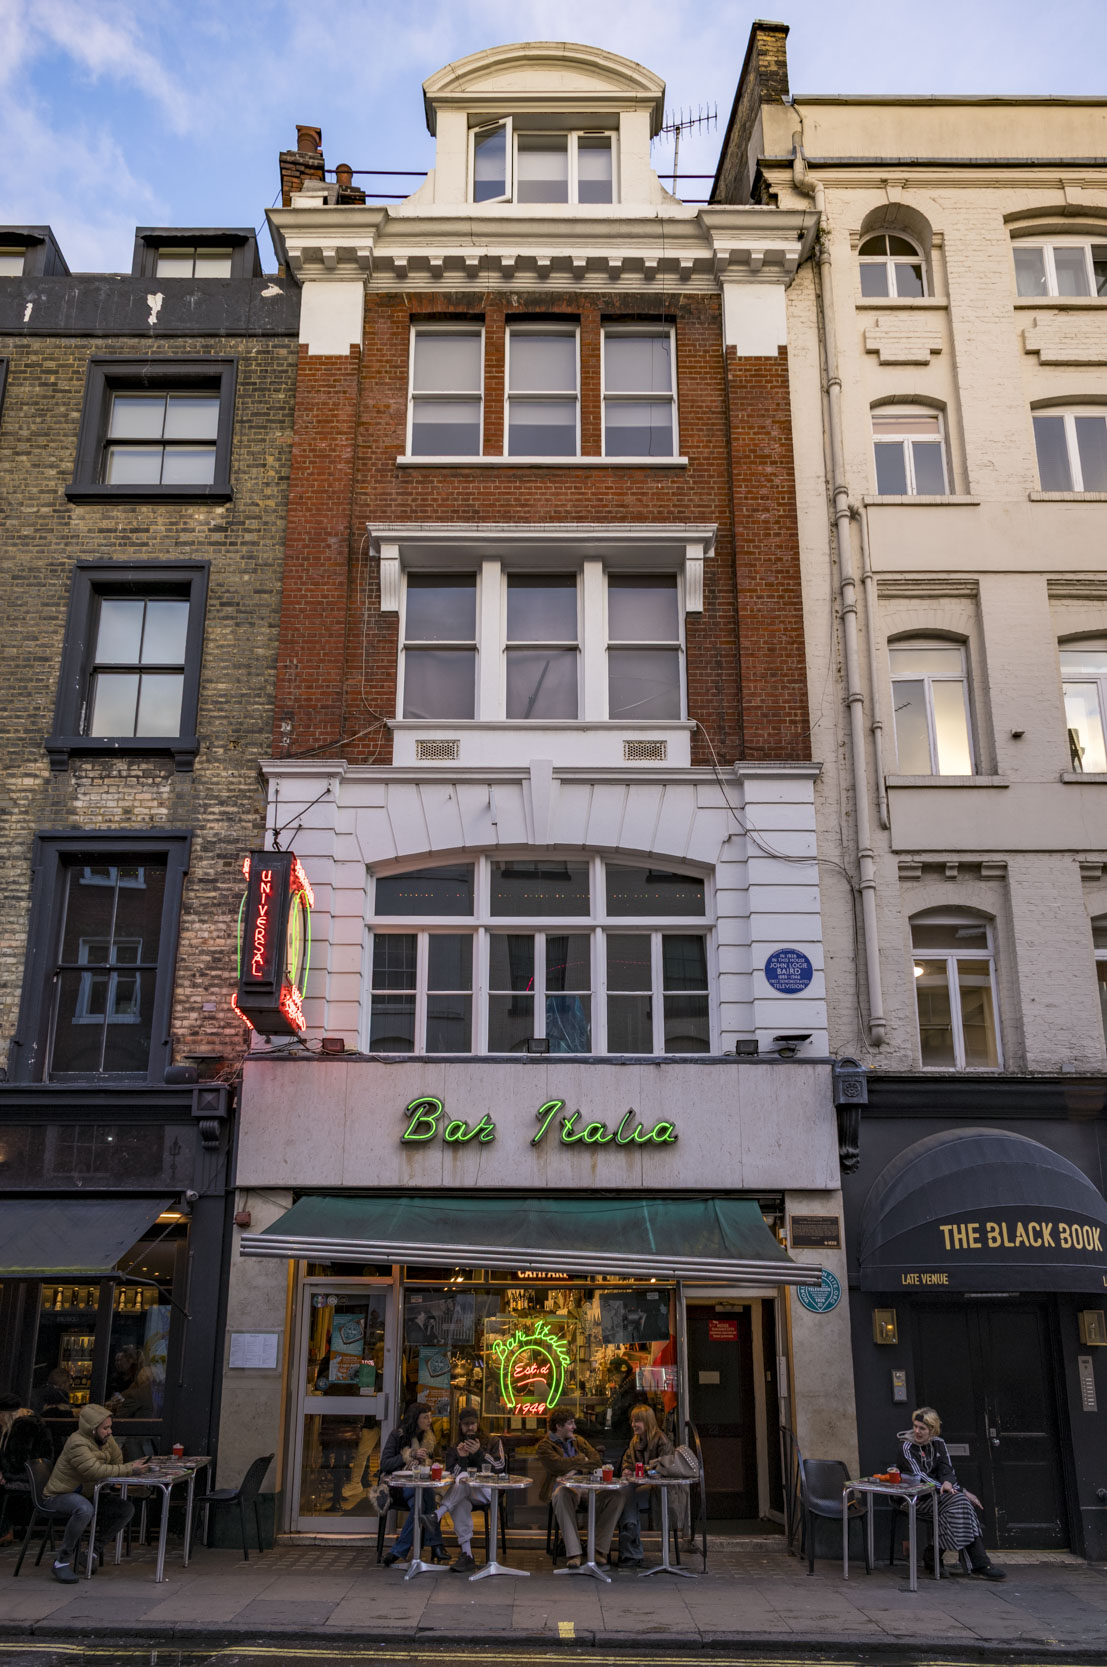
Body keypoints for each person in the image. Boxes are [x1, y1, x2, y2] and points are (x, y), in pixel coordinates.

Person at [41, 1404, 149, 1583]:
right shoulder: (77, 1443)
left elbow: (117, 1459)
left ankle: (92, 1552)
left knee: (125, 1509)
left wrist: (119, 1469)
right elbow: (93, 1471)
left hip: (87, 1493)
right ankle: (61, 1561)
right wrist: (129, 1469)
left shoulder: (105, 1440)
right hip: (59, 1495)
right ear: (92, 1430)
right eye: (105, 1428)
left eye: (110, 1426)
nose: (109, 1431)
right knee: (84, 1509)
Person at [900, 1406, 1006, 1581]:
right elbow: (919, 1475)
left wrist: (949, 1483)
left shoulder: (939, 1443)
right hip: (916, 1499)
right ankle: (980, 1563)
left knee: (959, 1505)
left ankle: (933, 1556)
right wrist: (958, 1490)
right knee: (961, 1502)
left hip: (940, 1498)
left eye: (922, 1428)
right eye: (916, 1426)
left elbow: (947, 1469)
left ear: (932, 1430)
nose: (917, 1431)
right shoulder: (906, 1447)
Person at [537, 1410, 623, 1569]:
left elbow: (596, 1461)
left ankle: (598, 1549)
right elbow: (556, 1466)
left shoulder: (579, 1441)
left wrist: (575, 1470)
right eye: (570, 1423)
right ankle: (574, 1553)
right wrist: (580, 1459)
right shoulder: (544, 1446)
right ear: (559, 1426)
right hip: (565, 1489)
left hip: (587, 1488)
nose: (574, 1427)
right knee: (561, 1494)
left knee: (615, 1496)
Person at [437, 1407, 506, 1573]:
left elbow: (500, 1467)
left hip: (489, 1490)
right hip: (466, 1491)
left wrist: (479, 1453)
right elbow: (451, 1475)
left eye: (473, 1424)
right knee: (461, 1496)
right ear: (460, 1426)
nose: (470, 1428)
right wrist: (462, 1457)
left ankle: (438, 1514)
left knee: (464, 1481)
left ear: (478, 1424)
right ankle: (467, 1555)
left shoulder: (493, 1441)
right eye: (466, 1424)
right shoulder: (456, 1446)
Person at [378, 1403, 447, 1567]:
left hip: (420, 1486)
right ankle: (436, 1545)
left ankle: (398, 1551)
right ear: (415, 1419)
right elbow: (385, 1463)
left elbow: (435, 1463)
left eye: (430, 1416)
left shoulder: (429, 1438)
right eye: (425, 1417)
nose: (429, 1420)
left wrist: (427, 1464)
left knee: (421, 1500)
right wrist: (408, 1456)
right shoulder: (398, 1435)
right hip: (398, 1487)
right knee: (426, 1496)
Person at [616, 1403, 674, 1565]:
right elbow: (627, 1462)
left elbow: (666, 1468)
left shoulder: (661, 1441)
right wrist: (627, 1471)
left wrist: (646, 1472)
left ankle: (631, 1544)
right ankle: (630, 1539)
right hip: (637, 1488)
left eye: (638, 1421)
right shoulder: (634, 1442)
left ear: (648, 1422)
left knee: (626, 1496)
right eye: (632, 1421)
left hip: (658, 1490)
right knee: (622, 1495)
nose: (634, 1425)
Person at [604, 1359, 637, 1462]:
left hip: (622, 1433)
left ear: (623, 1373)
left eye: (615, 1374)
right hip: (620, 1430)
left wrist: (603, 1419)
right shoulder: (624, 1386)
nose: (613, 1378)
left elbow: (618, 1411)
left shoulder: (629, 1387)